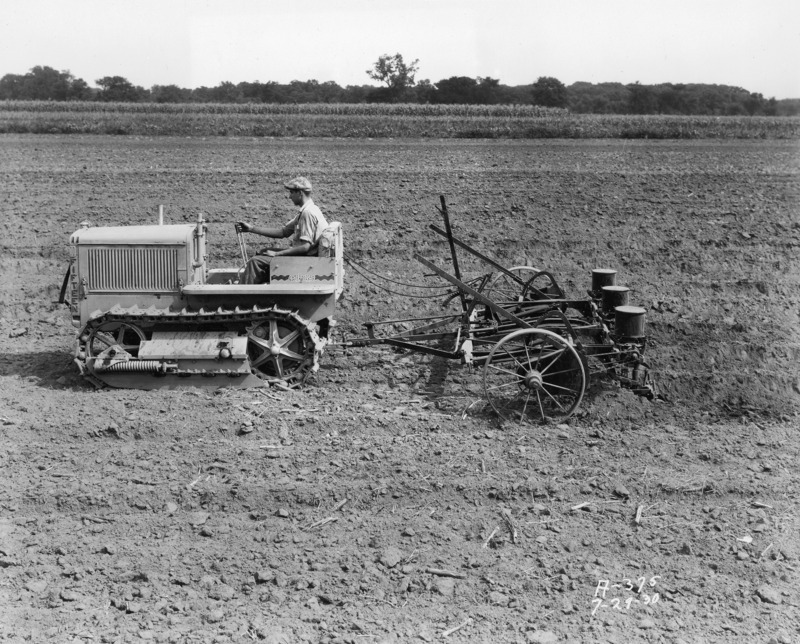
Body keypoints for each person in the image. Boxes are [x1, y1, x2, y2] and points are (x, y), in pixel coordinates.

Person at [236, 176, 329, 284]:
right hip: (306, 257)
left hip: (306, 261)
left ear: (300, 193)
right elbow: (283, 232)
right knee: (262, 253)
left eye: (291, 192)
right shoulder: (310, 209)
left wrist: (277, 254)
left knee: (255, 262)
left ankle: (242, 298)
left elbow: (305, 247)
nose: (289, 196)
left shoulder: (307, 213)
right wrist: (251, 229)